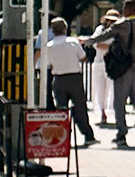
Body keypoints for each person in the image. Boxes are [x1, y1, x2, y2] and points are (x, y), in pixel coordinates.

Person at [104, 0, 135, 148]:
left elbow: (103, 36)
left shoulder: (120, 26)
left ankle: (121, 134)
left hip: (122, 69)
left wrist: (87, 41)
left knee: (119, 102)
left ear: (128, 10)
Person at [39, 18, 95, 146]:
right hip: (75, 78)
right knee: (80, 108)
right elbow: (83, 57)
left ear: (52, 31)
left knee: (61, 110)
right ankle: (88, 135)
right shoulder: (73, 42)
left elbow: (48, 65)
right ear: (65, 29)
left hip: (59, 79)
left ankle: (63, 137)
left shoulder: (48, 46)